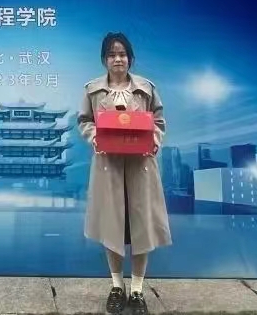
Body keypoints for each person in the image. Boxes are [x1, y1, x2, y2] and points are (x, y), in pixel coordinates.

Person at [77, 32, 172, 315]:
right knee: (112, 228)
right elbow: (84, 121)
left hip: (141, 167)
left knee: (142, 228)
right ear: (104, 59)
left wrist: (154, 140)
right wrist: (94, 137)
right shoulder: (92, 90)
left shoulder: (146, 89)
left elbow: (159, 122)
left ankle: (138, 290)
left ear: (130, 58)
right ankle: (117, 286)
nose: (117, 59)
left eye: (122, 54)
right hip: (109, 168)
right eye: (112, 54)